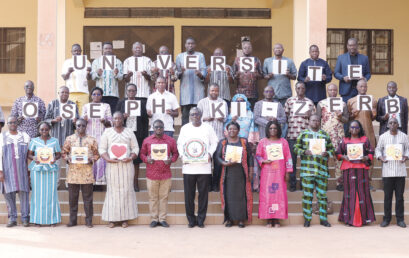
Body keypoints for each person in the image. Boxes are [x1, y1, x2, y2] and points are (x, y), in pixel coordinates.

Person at [177, 108, 218, 228]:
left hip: (204, 167)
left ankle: (201, 219)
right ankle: (190, 219)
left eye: (197, 114)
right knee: (189, 195)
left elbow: (214, 142)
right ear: (189, 116)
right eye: (192, 114)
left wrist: (210, 154)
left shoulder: (208, 128)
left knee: (203, 195)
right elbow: (180, 144)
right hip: (189, 167)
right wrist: (182, 155)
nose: (194, 116)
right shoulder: (185, 128)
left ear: (201, 115)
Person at [99, 112, 139, 228]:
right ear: (112, 120)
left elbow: (135, 147)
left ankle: (124, 219)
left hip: (126, 166)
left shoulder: (129, 132)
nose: (117, 120)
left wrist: (131, 157)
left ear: (123, 119)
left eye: (119, 118)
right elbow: (102, 148)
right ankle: (112, 219)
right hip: (112, 166)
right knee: (112, 192)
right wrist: (108, 159)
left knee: (126, 191)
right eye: (115, 118)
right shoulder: (107, 132)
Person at [294, 115, 334, 227]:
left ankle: (323, 219)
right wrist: (304, 151)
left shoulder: (324, 134)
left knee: (322, 196)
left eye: (317, 120)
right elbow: (296, 148)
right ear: (309, 121)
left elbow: (331, 149)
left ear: (319, 122)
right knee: (307, 196)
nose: (315, 122)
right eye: (313, 120)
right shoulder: (303, 134)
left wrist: (328, 153)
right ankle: (307, 219)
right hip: (307, 171)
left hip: (321, 171)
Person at [140, 119, 179, 228]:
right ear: (153, 128)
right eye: (156, 127)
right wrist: (147, 159)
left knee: (164, 197)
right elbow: (142, 154)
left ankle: (162, 219)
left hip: (165, 174)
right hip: (151, 174)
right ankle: (153, 219)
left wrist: (171, 160)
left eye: (161, 127)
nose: (158, 129)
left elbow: (176, 154)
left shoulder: (170, 140)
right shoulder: (147, 140)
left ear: (164, 128)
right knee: (152, 197)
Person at [336, 120, 376, 227]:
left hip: (361, 169)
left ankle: (364, 219)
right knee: (350, 194)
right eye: (352, 127)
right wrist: (344, 157)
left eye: (356, 127)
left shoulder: (365, 140)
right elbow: (338, 153)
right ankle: (349, 219)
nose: (354, 129)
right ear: (349, 129)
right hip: (348, 169)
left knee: (363, 193)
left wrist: (366, 157)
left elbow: (371, 152)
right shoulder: (344, 140)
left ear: (360, 129)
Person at [62, 118, 100, 228]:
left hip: (87, 173)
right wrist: (68, 158)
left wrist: (91, 159)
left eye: (83, 126)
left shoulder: (92, 140)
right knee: (72, 199)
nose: (80, 128)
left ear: (86, 126)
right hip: (73, 174)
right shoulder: (69, 139)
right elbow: (64, 153)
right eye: (78, 126)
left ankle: (89, 221)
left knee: (88, 199)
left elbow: (97, 154)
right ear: (75, 126)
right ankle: (72, 220)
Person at [215, 121, 253, 228]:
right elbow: (217, 157)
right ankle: (230, 219)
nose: (232, 131)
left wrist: (251, 171)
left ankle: (241, 219)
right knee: (228, 196)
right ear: (227, 131)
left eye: (234, 129)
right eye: (230, 129)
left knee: (241, 196)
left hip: (241, 172)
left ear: (238, 130)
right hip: (227, 173)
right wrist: (225, 163)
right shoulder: (222, 142)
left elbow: (250, 157)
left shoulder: (244, 142)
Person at [256, 120, 292, 228]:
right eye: (271, 128)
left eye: (275, 128)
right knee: (267, 196)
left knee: (278, 195)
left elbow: (288, 157)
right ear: (267, 129)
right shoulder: (263, 142)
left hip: (279, 174)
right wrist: (263, 161)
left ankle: (276, 219)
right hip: (267, 174)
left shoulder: (283, 142)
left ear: (278, 130)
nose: (273, 130)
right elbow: (258, 155)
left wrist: (288, 172)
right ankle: (268, 219)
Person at [375, 118, 409, 228]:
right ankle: (386, 219)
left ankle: (400, 219)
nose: (393, 124)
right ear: (388, 125)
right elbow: (378, 149)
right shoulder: (383, 136)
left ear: (398, 124)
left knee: (399, 197)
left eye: (395, 123)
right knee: (387, 197)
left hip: (400, 171)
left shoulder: (404, 136)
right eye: (391, 123)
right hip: (387, 171)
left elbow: (408, 149)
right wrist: (381, 157)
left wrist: (406, 156)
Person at [28, 122, 62, 226]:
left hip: (51, 170)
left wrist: (54, 159)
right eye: (42, 129)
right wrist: (34, 158)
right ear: (39, 130)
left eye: (46, 129)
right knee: (37, 195)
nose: (44, 131)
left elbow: (58, 154)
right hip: (37, 170)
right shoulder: (34, 141)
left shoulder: (54, 141)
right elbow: (29, 154)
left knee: (51, 194)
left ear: (49, 130)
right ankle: (37, 220)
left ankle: (52, 220)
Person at [116, 83, 149, 192]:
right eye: (129, 90)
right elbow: (115, 117)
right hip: (124, 133)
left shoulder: (141, 103)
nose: (131, 93)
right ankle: (124, 183)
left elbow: (145, 120)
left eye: (133, 91)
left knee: (136, 160)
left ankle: (135, 182)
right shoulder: (121, 102)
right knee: (123, 157)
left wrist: (145, 135)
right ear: (126, 91)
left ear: (136, 92)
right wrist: (123, 117)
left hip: (138, 134)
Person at [45, 86, 80, 187]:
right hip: (56, 137)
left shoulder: (72, 105)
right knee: (56, 162)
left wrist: (75, 121)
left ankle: (69, 183)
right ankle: (56, 184)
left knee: (69, 162)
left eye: (66, 92)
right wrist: (54, 120)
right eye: (62, 92)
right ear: (58, 93)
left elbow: (78, 123)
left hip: (69, 138)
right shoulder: (52, 104)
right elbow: (46, 119)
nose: (64, 94)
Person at [316, 84, 349, 191]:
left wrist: (340, 116)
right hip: (324, 136)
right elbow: (317, 119)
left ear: (337, 91)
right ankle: (322, 183)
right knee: (323, 159)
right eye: (330, 90)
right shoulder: (321, 104)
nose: (333, 92)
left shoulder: (343, 104)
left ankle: (339, 183)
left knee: (339, 159)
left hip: (339, 135)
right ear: (327, 91)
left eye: (335, 90)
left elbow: (346, 120)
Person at [0, 116, 31, 227]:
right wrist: (0, 171)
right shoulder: (2, 137)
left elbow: (29, 153)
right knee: (8, 194)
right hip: (7, 170)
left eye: (14, 122)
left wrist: (29, 169)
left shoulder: (25, 136)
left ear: (18, 123)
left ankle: (25, 218)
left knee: (24, 194)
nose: (13, 124)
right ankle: (12, 218)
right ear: (7, 124)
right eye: (10, 122)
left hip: (22, 170)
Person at [285, 82, 315, 191]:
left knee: (305, 162)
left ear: (305, 89)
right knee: (292, 162)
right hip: (292, 135)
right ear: (295, 89)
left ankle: (304, 184)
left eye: (302, 88)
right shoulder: (289, 101)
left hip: (305, 137)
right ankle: (293, 184)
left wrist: (310, 115)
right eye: (298, 88)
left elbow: (315, 119)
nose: (300, 89)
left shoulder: (310, 102)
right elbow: (286, 116)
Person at [197, 83, 228, 192]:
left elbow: (226, 118)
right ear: (208, 91)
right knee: (206, 162)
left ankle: (216, 184)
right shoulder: (202, 102)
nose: (214, 93)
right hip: (206, 137)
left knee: (218, 162)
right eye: (212, 91)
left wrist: (222, 119)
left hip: (219, 137)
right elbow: (196, 118)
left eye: (216, 91)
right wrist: (205, 118)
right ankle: (208, 185)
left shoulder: (223, 102)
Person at [82, 87, 112, 186]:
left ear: (101, 96)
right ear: (91, 96)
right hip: (89, 136)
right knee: (90, 157)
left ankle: (100, 181)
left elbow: (110, 123)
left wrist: (105, 121)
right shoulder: (86, 106)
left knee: (101, 159)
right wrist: (84, 120)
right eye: (94, 94)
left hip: (102, 136)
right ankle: (90, 181)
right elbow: (81, 124)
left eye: (98, 94)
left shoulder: (106, 106)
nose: (96, 96)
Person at [176, 37, 207, 125]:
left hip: (198, 92)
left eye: (192, 43)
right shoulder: (180, 56)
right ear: (185, 45)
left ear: (195, 45)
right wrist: (180, 72)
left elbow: (204, 71)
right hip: (185, 92)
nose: (190, 45)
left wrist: (199, 74)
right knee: (185, 117)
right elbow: (176, 75)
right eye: (188, 43)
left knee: (199, 116)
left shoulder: (200, 55)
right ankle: (185, 136)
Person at [334, 38, 371, 103]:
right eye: (350, 45)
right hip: (346, 90)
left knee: (359, 111)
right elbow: (336, 73)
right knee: (346, 111)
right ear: (347, 46)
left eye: (353, 45)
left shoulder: (364, 58)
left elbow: (368, 73)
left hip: (360, 90)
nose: (352, 47)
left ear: (357, 46)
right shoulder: (341, 58)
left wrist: (364, 79)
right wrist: (343, 78)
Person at [91, 42, 124, 113]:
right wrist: (98, 74)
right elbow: (92, 77)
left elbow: (121, 78)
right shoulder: (96, 62)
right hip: (100, 95)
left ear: (112, 50)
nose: (108, 50)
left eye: (110, 48)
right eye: (106, 48)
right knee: (100, 114)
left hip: (113, 94)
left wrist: (117, 74)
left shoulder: (117, 62)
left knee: (112, 114)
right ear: (102, 50)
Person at [61, 43, 92, 114]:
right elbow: (64, 77)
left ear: (81, 51)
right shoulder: (67, 62)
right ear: (71, 52)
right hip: (71, 92)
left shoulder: (86, 62)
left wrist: (89, 72)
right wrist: (68, 72)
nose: (77, 52)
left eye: (78, 51)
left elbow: (89, 78)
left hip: (83, 92)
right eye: (75, 51)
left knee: (83, 114)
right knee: (71, 114)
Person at [347, 79, 377, 149]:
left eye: (365, 86)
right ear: (357, 87)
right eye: (361, 86)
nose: (363, 88)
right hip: (355, 130)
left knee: (369, 150)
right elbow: (348, 118)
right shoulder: (350, 101)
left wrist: (374, 114)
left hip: (368, 129)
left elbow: (372, 118)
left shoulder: (372, 100)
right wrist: (353, 115)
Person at [233, 41, 263, 109]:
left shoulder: (256, 60)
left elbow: (262, 75)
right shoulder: (237, 60)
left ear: (251, 49)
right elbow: (233, 76)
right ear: (242, 49)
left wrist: (257, 74)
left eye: (249, 47)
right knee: (241, 113)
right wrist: (236, 75)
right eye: (245, 48)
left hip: (253, 93)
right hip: (240, 94)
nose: (247, 49)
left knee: (251, 113)